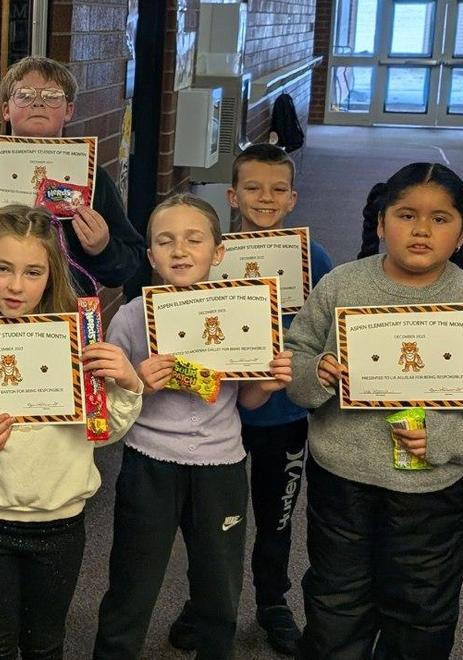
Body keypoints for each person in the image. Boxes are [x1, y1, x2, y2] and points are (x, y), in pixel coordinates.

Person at [287, 163, 463, 658]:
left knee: (421, 611)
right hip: (342, 478)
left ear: (462, 231)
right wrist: (315, 373)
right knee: (336, 602)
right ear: (381, 223)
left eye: (441, 219)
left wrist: (447, 439)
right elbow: (295, 357)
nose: (422, 230)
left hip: (430, 489)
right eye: (406, 215)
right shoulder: (341, 287)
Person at [0, 205, 144, 659]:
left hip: (60, 521)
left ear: (52, 274)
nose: (16, 285)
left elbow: (103, 432)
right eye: (2, 268)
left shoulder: (77, 341)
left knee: (45, 644)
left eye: (32, 271)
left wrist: (128, 384)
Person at [90, 194, 295, 660]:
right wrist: (138, 381)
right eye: (165, 241)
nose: (179, 250)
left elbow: (246, 399)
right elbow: (107, 402)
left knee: (218, 585)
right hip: (149, 461)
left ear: (218, 252)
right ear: (150, 257)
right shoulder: (130, 316)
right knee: (132, 581)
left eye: (193, 239)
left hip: (220, 463)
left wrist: (265, 384)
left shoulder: (243, 311)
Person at [167, 143, 335, 656]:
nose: (267, 198)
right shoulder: (210, 255)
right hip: (219, 416)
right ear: (233, 195)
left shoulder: (315, 259)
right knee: (211, 520)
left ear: (292, 198)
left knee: (275, 516)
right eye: (255, 188)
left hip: (284, 417)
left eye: (278, 189)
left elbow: (329, 334)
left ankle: (271, 602)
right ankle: (205, 602)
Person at [0, 56, 148, 297]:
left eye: (52, 96)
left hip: (66, 316)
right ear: (6, 109)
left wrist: (102, 248)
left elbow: (127, 265)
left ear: (69, 110)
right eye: (25, 95)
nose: (38, 103)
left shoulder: (92, 179)